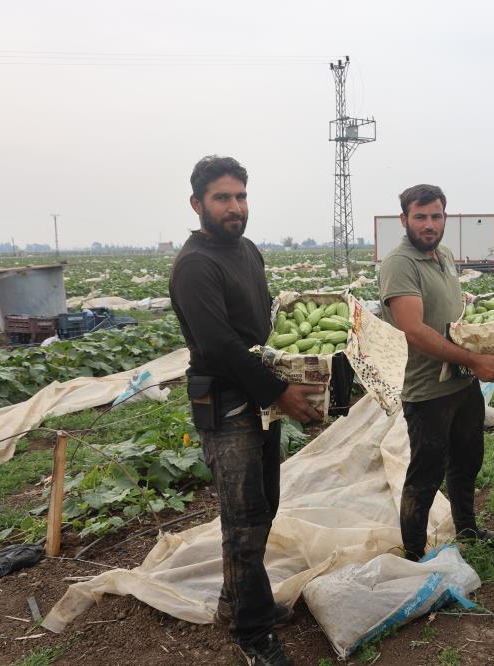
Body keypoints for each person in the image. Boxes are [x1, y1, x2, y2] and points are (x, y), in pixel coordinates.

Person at [170, 155, 323, 666]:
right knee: (243, 520)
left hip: (258, 400)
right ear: (197, 204)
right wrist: (279, 391)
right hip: (228, 404)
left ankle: (236, 601)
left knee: (263, 510)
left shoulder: (247, 251)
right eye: (222, 198)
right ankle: (251, 633)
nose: (235, 207)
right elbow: (219, 347)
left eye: (240, 196)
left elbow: (258, 335)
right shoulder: (196, 265)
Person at [379, 184, 494, 561]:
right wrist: (473, 360)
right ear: (404, 219)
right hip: (426, 390)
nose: (429, 224)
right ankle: (415, 554)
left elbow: (450, 317)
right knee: (425, 475)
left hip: (460, 382)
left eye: (435, 216)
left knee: (468, 459)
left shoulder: (445, 255)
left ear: (445, 219)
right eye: (420, 217)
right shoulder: (399, 264)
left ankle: (468, 528)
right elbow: (414, 330)